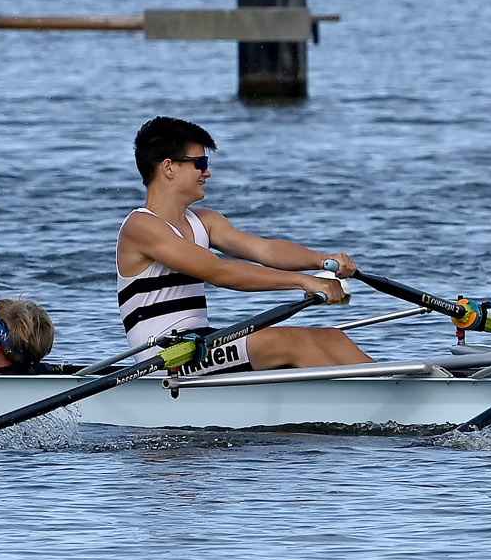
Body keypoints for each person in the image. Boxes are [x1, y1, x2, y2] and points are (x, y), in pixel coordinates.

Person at [115, 116, 367, 375]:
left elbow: (265, 250)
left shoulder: (206, 221)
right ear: (169, 167)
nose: (207, 172)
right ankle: (366, 404)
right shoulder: (141, 227)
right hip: (165, 357)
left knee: (333, 337)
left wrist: (323, 261)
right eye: (200, 163)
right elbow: (219, 272)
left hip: (199, 343)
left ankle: (395, 389)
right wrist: (305, 281)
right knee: (293, 342)